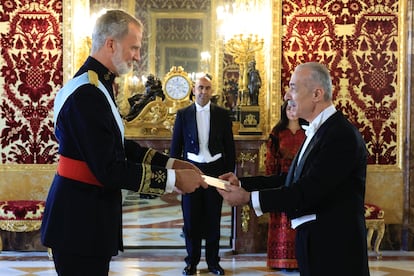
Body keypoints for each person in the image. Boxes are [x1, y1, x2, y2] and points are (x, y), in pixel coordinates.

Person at [41, 10, 207, 276]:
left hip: (87, 218)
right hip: (79, 223)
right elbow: (110, 168)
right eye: (134, 47)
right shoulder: (87, 94)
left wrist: (172, 162)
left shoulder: (98, 87)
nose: (137, 56)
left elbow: (119, 145)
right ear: (111, 44)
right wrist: (173, 180)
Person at [217, 62, 370, 276]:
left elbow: (307, 191)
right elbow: (291, 179)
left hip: (335, 250)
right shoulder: (321, 131)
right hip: (316, 243)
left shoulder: (340, 135)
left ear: (317, 94)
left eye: (293, 87)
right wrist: (242, 183)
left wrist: (248, 198)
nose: (287, 95)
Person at [170, 73, 236, 275]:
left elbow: (229, 148)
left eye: (207, 88)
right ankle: (192, 262)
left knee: (213, 218)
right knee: (191, 219)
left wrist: (229, 174)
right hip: (191, 171)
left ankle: (213, 263)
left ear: (212, 91)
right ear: (193, 89)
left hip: (215, 171)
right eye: (200, 88)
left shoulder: (222, 115)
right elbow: (175, 149)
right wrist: (175, 177)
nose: (203, 92)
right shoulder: (183, 114)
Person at [265, 100, 306, 270]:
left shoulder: (308, 131)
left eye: (295, 107)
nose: (292, 111)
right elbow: (271, 158)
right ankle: (280, 260)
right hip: (282, 181)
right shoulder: (277, 132)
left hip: (303, 182)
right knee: (282, 220)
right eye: (289, 108)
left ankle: (300, 260)